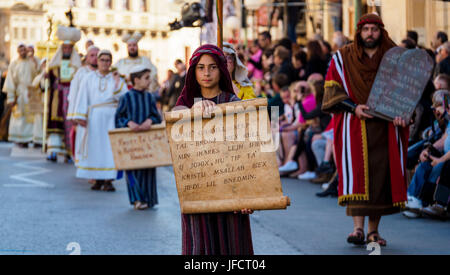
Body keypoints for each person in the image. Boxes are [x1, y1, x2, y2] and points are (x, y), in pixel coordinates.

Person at [322, 14, 409, 247]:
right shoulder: (343, 57)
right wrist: (354, 108)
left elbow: (405, 92)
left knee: (380, 179)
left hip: (384, 127)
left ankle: (373, 231)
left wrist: (402, 113)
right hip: (354, 124)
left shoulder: (395, 57)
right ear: (359, 32)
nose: (370, 33)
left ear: (381, 31)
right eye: (366, 29)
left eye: (374, 29)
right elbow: (332, 91)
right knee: (357, 175)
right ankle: (357, 229)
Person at [175, 44, 254, 255]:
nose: (206, 73)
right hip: (198, 188)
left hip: (231, 187)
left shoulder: (234, 102)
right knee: (201, 248)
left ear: (221, 69)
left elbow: (249, 152)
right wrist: (192, 111)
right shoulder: (185, 103)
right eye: (200, 67)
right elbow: (175, 137)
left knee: (232, 246)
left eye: (212, 67)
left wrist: (248, 194)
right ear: (193, 71)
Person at [72, 50, 128, 191]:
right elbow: (82, 96)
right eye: (102, 60)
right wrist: (80, 116)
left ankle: (108, 180)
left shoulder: (116, 78)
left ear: (111, 62)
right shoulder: (88, 78)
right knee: (95, 147)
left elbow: (124, 96)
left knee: (109, 148)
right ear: (97, 61)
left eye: (108, 60)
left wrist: (116, 81)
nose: (105, 63)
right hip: (94, 117)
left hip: (111, 117)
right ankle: (97, 178)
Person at [115, 65, 162, 210]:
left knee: (148, 169)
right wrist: (128, 123)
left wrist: (150, 121)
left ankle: (148, 199)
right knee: (132, 170)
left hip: (147, 142)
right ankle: (136, 200)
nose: (149, 81)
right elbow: (118, 118)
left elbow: (156, 116)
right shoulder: (126, 97)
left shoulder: (149, 97)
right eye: (146, 78)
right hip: (131, 143)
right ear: (136, 80)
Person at [46, 26, 82, 162]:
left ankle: (69, 151)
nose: (66, 50)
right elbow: (46, 83)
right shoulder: (54, 65)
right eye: (64, 48)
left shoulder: (77, 66)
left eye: (69, 48)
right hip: (57, 97)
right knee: (55, 124)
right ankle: (53, 150)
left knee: (69, 124)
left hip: (71, 99)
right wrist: (45, 78)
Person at [67, 45, 99, 167]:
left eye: (97, 55)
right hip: (84, 113)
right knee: (84, 141)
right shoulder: (81, 73)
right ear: (86, 58)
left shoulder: (106, 73)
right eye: (92, 55)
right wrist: (74, 116)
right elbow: (73, 94)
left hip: (99, 115)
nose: (95, 58)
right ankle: (85, 167)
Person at [1, 43, 37, 147]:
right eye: (21, 50)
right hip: (19, 93)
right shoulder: (14, 64)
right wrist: (11, 97)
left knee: (30, 118)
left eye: (24, 50)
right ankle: (20, 138)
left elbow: (36, 74)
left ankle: (30, 138)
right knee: (19, 117)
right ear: (18, 52)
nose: (23, 52)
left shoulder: (31, 62)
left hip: (30, 93)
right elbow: (10, 81)